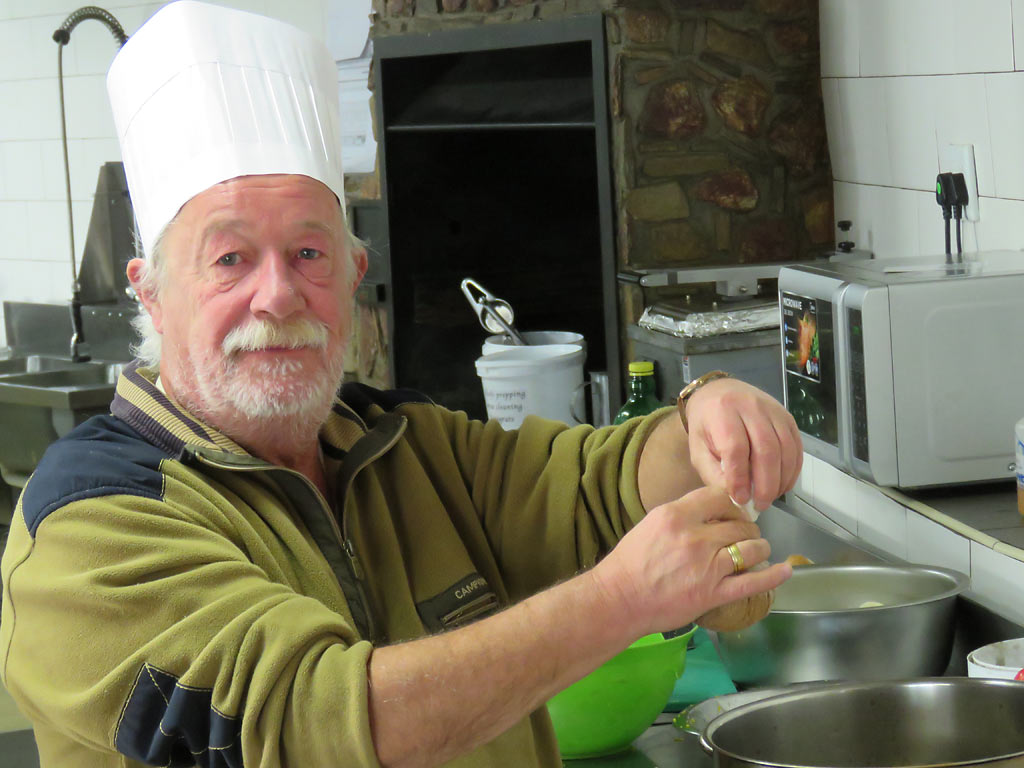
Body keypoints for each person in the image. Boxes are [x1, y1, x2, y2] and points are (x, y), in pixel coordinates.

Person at [0, 4, 801, 767]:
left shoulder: (407, 448)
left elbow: (597, 487)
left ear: (353, 275)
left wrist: (704, 422)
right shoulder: (89, 525)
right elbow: (313, 727)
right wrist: (620, 602)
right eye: (231, 259)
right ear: (151, 294)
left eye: (309, 255)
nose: (279, 296)